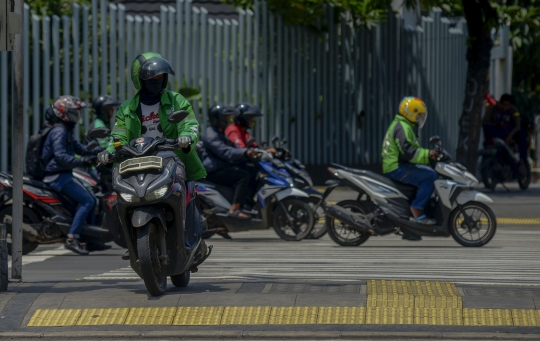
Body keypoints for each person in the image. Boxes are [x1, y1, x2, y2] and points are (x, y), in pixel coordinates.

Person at [96, 52, 207, 254]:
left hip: (171, 158)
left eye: (160, 77)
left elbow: (189, 124)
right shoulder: (126, 109)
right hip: (137, 161)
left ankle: (183, 231)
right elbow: (118, 136)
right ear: (140, 80)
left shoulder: (176, 101)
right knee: (122, 192)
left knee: (179, 184)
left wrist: (186, 137)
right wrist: (108, 152)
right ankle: (131, 237)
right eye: (151, 78)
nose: (157, 81)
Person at [41, 96, 102, 255]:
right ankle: (72, 238)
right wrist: (84, 161)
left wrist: (100, 151)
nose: (77, 115)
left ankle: (90, 239)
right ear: (64, 114)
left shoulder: (66, 131)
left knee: (92, 196)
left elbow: (81, 149)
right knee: (88, 200)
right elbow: (61, 156)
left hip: (64, 173)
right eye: (74, 112)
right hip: (57, 176)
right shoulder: (59, 131)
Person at [381, 97, 439, 232]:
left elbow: (413, 152)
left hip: (399, 165)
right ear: (410, 113)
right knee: (430, 176)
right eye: (418, 115)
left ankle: (411, 224)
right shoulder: (402, 127)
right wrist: (428, 154)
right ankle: (417, 208)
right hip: (396, 167)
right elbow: (408, 152)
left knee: (427, 171)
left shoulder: (404, 125)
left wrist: (428, 156)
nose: (420, 118)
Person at [201, 104, 258, 219]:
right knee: (243, 176)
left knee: (251, 170)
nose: (230, 121)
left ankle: (247, 204)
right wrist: (244, 152)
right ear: (219, 119)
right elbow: (225, 151)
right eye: (227, 118)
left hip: (221, 166)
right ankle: (235, 209)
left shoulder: (219, 132)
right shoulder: (211, 135)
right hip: (213, 171)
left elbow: (233, 146)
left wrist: (247, 151)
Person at [482, 93, 529, 166]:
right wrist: (497, 124)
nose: (504, 107)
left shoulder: (514, 110)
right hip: (498, 133)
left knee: (522, 134)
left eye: (507, 105)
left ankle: (522, 160)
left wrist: (510, 135)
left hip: (509, 132)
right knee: (488, 128)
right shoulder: (493, 108)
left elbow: (517, 125)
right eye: (503, 104)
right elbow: (485, 122)